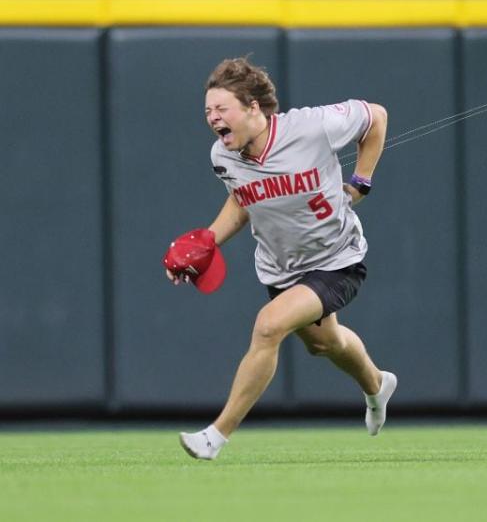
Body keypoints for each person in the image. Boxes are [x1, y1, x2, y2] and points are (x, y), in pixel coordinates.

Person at [163, 57, 397, 460]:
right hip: (281, 268)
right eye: (207, 112)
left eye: (222, 109)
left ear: (254, 107)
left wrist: (361, 181)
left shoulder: (313, 126)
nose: (213, 118)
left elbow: (376, 117)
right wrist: (208, 241)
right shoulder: (223, 155)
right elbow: (243, 201)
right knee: (326, 344)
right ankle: (377, 385)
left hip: (337, 259)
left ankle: (215, 436)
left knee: (269, 326)